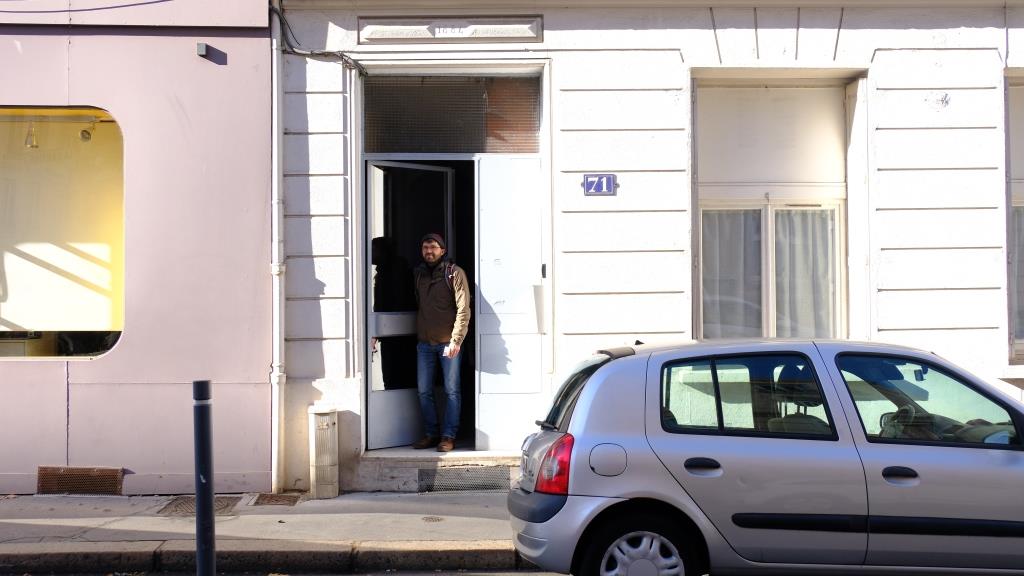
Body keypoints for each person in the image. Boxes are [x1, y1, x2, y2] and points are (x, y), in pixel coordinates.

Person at [412, 233, 470, 452]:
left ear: (443, 251)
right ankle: (431, 433)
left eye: (433, 247)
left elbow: (463, 309)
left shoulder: (454, 273)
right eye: (425, 247)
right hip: (425, 344)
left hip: (448, 343)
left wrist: (456, 340)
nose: (429, 251)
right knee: (423, 390)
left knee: (451, 390)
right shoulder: (418, 275)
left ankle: (448, 436)